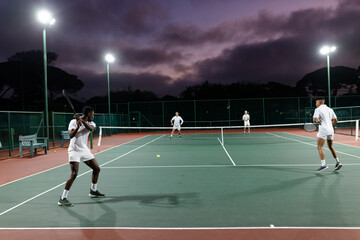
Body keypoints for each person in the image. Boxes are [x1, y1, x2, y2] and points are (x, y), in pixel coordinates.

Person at [58, 106, 105, 207]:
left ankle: (93, 190)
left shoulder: (91, 123)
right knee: (74, 174)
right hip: (74, 150)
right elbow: (70, 135)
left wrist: (81, 121)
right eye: (93, 114)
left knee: (96, 169)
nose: (94, 115)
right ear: (88, 114)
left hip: (84, 150)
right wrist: (78, 126)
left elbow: (90, 129)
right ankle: (62, 198)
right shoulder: (73, 122)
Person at [313, 97, 342, 172]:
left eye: (316, 103)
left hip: (323, 130)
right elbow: (336, 120)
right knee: (330, 146)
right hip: (331, 130)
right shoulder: (330, 109)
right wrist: (329, 125)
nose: (316, 104)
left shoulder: (317, 109)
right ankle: (338, 162)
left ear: (319, 102)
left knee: (319, 147)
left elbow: (314, 120)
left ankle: (323, 165)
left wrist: (317, 122)